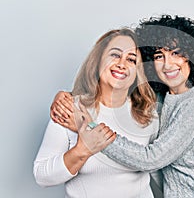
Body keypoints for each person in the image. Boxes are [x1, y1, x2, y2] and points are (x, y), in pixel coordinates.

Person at [52, 15, 194, 197]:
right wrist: (67, 98)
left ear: (192, 57)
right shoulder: (161, 98)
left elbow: (152, 159)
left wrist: (89, 129)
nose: (167, 64)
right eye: (159, 56)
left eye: (176, 53)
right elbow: (113, 89)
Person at [33, 28, 162, 198]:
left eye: (131, 59)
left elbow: (158, 171)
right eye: (115, 55)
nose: (122, 64)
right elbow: (42, 176)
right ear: (98, 61)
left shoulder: (148, 114)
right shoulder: (69, 108)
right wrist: (82, 150)